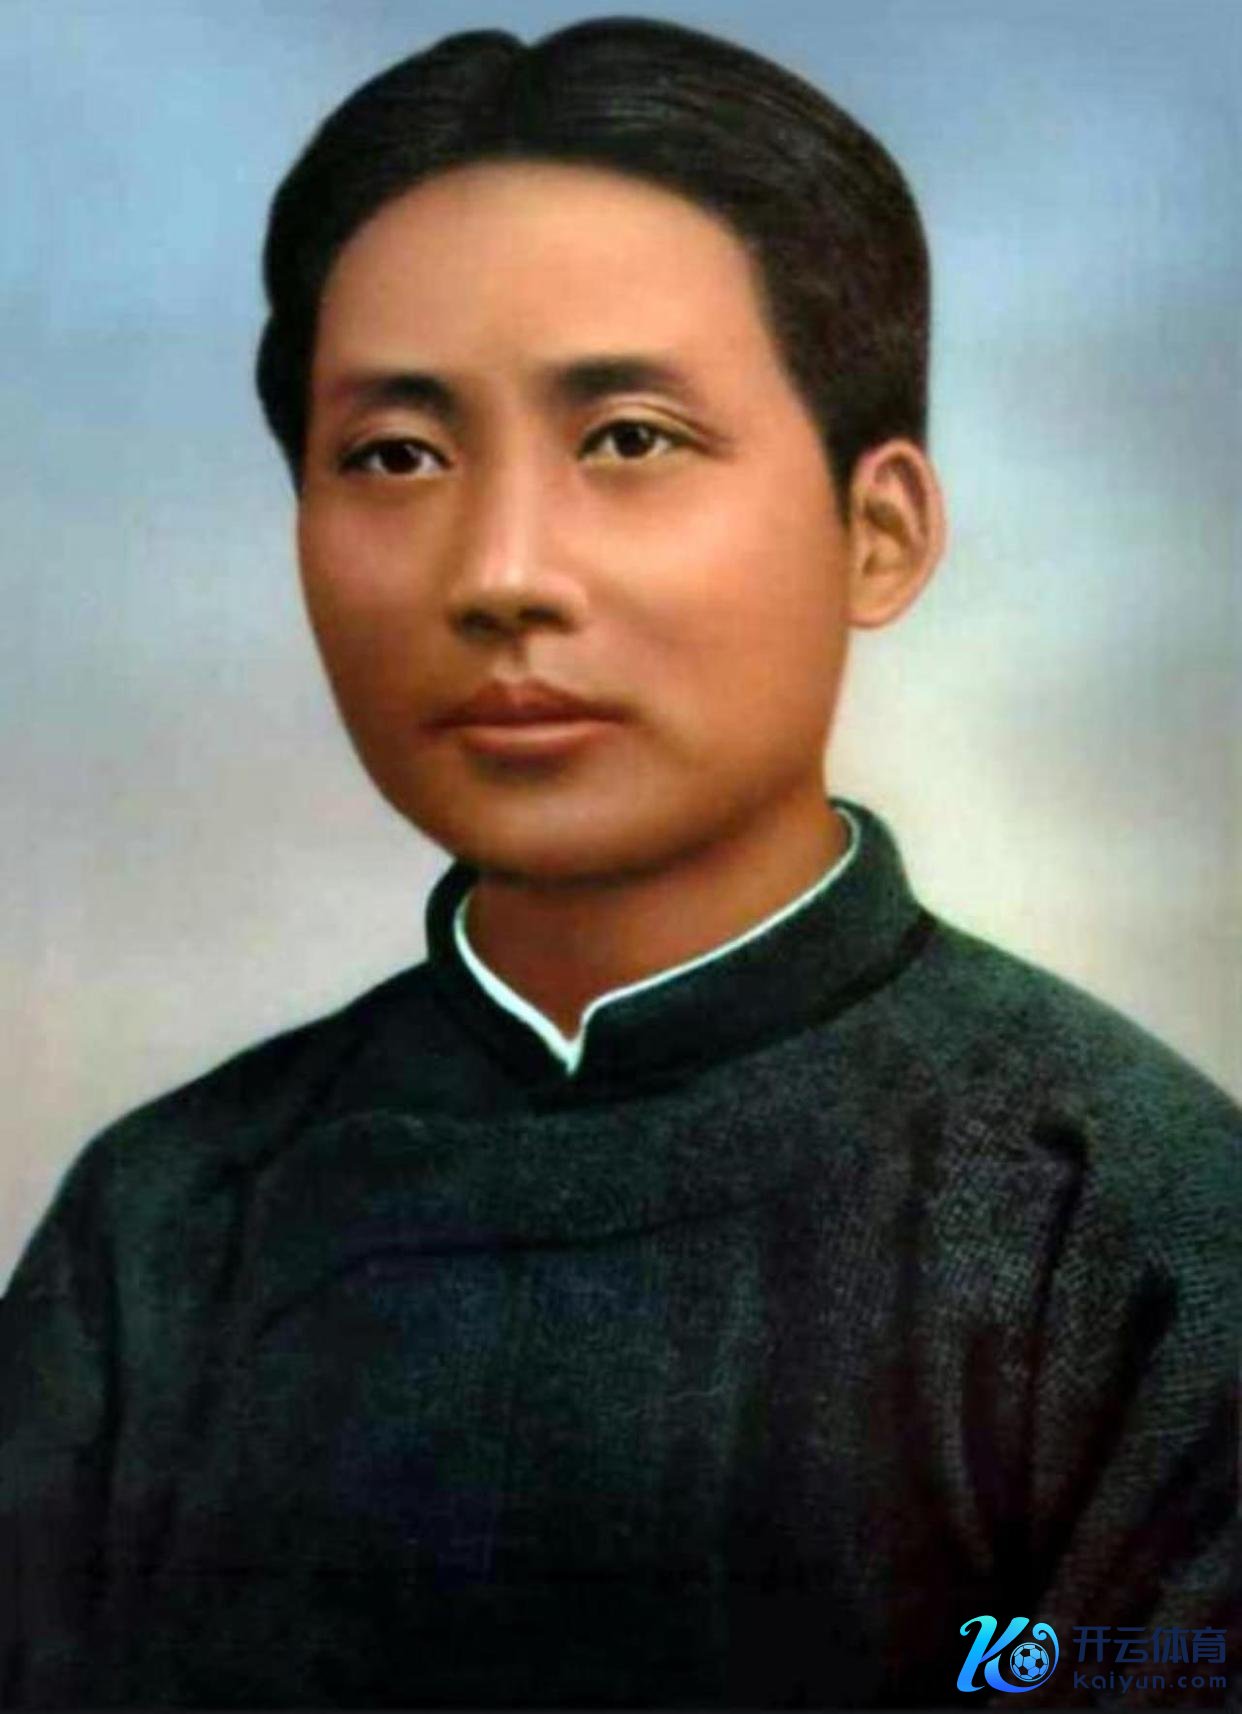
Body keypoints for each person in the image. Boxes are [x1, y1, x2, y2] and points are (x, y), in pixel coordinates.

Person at [1, 16, 1236, 1709]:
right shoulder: (159, 1229)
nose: (501, 572)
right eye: (396, 456)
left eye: (630, 438)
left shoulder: (1134, 1226)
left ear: (876, 532)